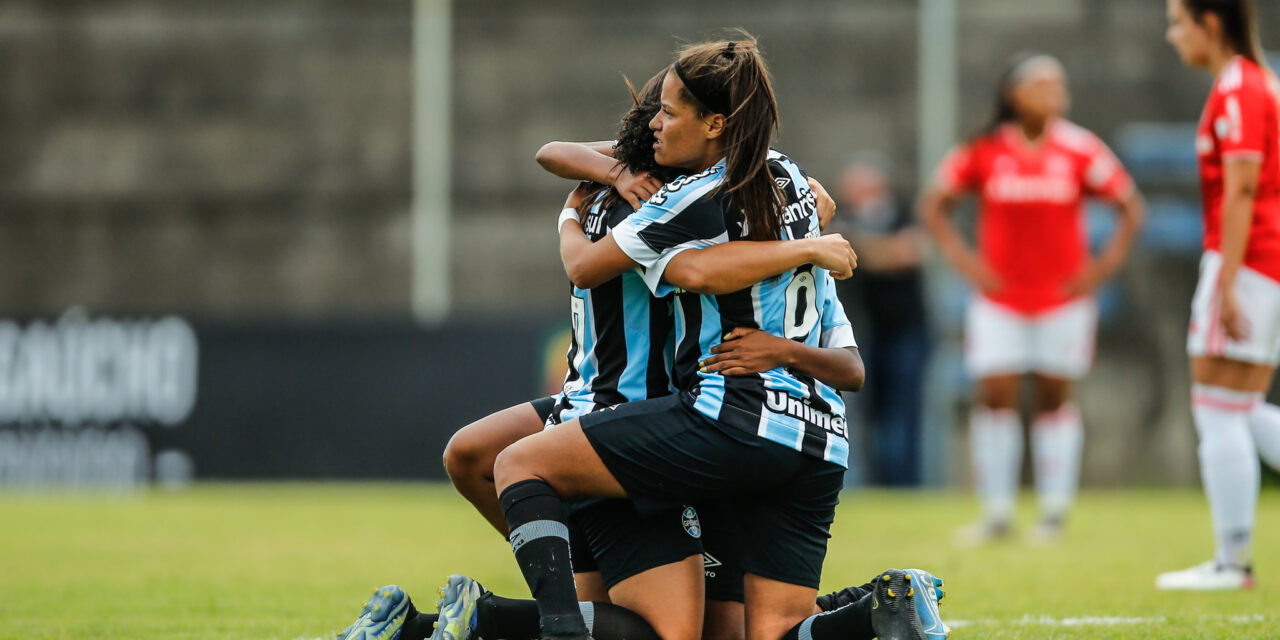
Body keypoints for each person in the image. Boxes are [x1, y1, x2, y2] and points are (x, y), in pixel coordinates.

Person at [335, 63, 948, 640]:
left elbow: (630, 243)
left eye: (668, 112)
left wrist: (781, 338)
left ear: (711, 126)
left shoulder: (694, 201)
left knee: (692, 624)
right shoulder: (715, 194)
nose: (657, 124)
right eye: (655, 113)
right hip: (681, 425)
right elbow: (666, 251)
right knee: (693, 624)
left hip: (672, 423)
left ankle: (468, 617)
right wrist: (807, 247)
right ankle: (865, 608)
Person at [920, 52, 1145, 544]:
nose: (1054, 93)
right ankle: (997, 514)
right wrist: (967, 263)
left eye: (1058, 84)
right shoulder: (984, 148)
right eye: (1042, 84)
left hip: (1062, 299)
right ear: (1013, 94)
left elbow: (1130, 207)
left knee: (1053, 398)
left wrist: (1100, 268)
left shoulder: (1081, 148)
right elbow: (934, 204)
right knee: (995, 395)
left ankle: (1053, 513)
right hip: (999, 299)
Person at [1159, 0, 1280, 591]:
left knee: (1215, 406)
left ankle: (1232, 564)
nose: (1171, 34)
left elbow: (1243, 190)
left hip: (1249, 260)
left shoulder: (1238, 88)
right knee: (1242, 408)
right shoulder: (1259, 83)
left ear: (1210, 23)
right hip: (1266, 260)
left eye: (1178, 21)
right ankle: (1231, 561)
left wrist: (1227, 282)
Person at [825, 153, 929, 486]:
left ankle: (902, 487)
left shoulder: (902, 212)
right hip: (863, 332)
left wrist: (860, 247)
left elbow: (907, 253)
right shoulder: (845, 220)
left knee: (902, 417)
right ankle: (862, 486)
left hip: (906, 332)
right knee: (858, 414)